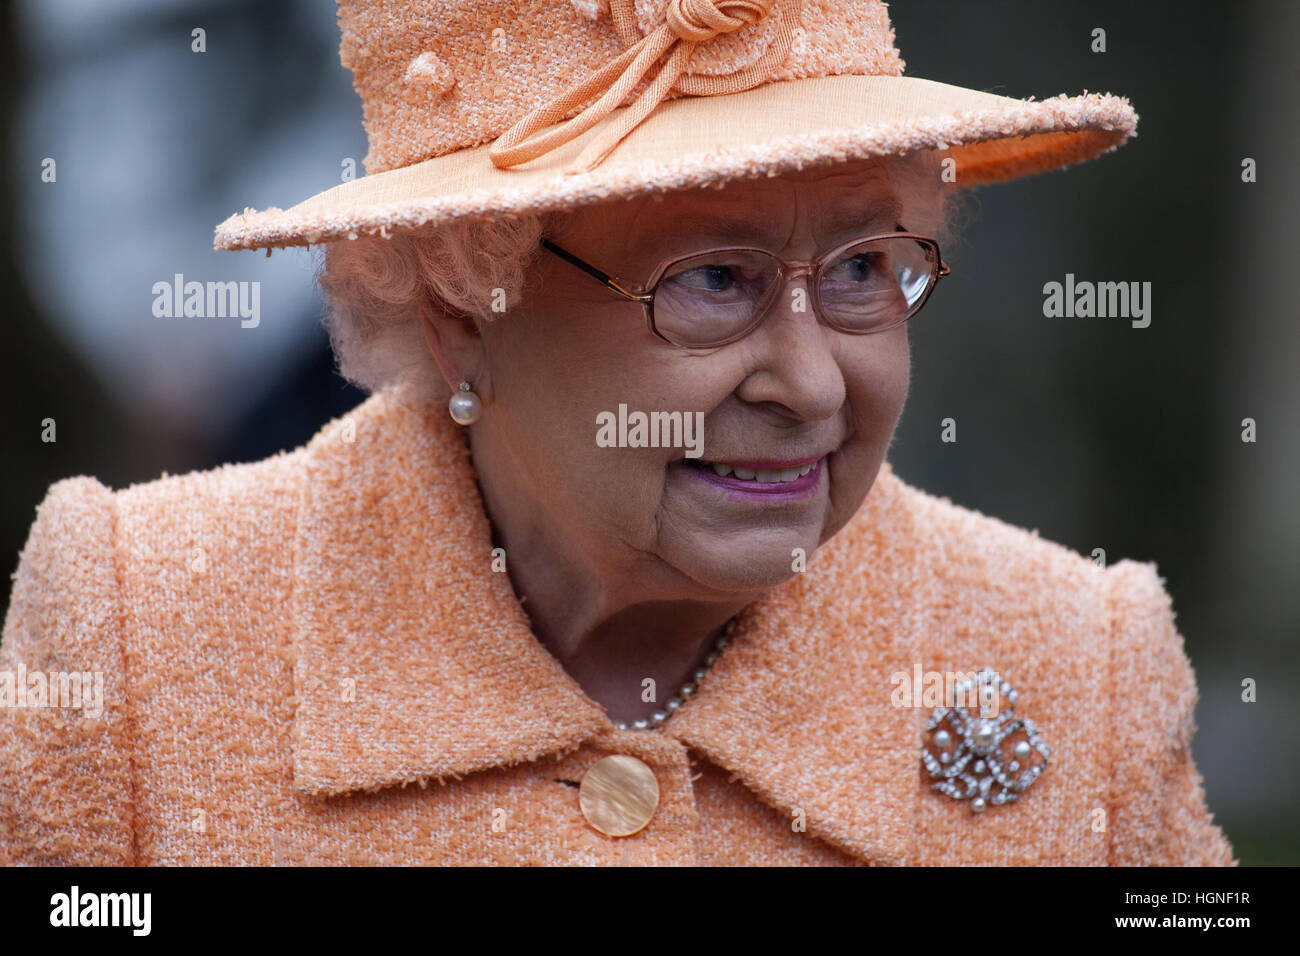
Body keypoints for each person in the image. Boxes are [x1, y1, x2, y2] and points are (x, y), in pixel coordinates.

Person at [0, 0, 1234, 865]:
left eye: (864, 265)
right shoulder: (140, 632)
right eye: (710, 280)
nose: (810, 382)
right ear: (457, 312)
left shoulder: (1079, 663)